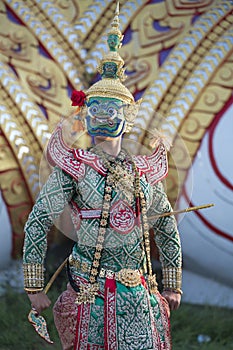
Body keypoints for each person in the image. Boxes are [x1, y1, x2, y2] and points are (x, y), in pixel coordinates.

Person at [22, 5, 182, 350]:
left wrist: (172, 283)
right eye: (94, 111)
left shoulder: (144, 171)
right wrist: (34, 286)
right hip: (89, 291)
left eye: (111, 111)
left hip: (140, 291)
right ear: (84, 115)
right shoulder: (76, 167)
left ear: (128, 116)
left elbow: (167, 228)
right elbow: (38, 221)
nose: (102, 119)